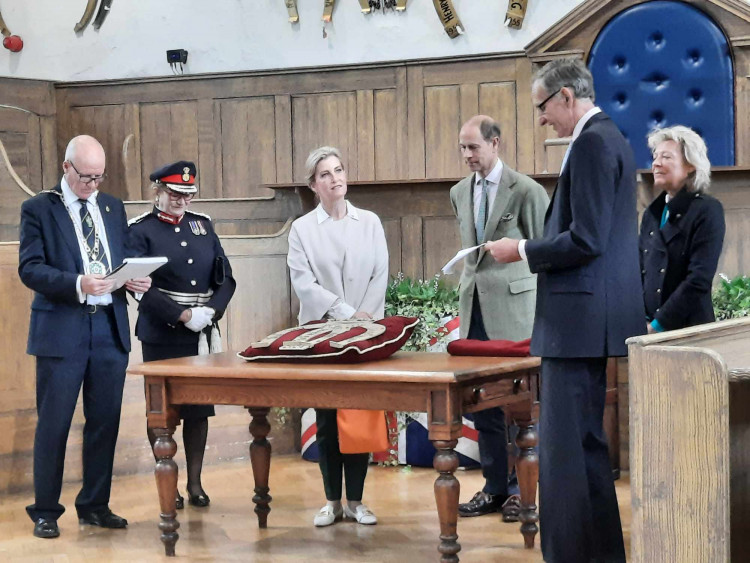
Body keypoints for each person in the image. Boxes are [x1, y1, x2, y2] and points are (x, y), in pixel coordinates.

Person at [486, 58, 644, 562]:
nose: (541, 118)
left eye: (542, 106)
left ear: (566, 98)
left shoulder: (595, 142)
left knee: (565, 456)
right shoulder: (606, 138)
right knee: (585, 451)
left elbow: (587, 238)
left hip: (577, 324)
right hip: (587, 321)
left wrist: (524, 250)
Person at [18, 135, 152, 539]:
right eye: (86, 177)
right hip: (62, 329)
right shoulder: (39, 208)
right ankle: (45, 511)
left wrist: (133, 279)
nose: (93, 185)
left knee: (104, 422)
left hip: (108, 329)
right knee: (54, 424)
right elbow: (31, 268)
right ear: (66, 168)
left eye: (99, 177)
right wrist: (78, 282)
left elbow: (120, 256)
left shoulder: (111, 207)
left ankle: (94, 505)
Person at [450, 115, 548, 521]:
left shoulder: (526, 190)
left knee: (521, 408)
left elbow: (546, 250)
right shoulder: (458, 192)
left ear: (495, 143)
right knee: (483, 405)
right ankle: (494, 488)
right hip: (474, 310)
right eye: (462, 148)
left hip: (515, 312)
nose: (467, 155)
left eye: (474, 147)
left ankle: (523, 494)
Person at [287, 146, 389, 527]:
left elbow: (380, 273)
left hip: (365, 332)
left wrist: (363, 319)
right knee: (328, 418)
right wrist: (345, 314)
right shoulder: (302, 230)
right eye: (326, 174)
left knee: (359, 415)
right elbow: (304, 283)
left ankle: (357, 501)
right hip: (322, 335)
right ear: (314, 185)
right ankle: (332, 501)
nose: (335, 178)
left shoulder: (370, 222)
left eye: (339, 170)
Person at [128, 161, 236, 509]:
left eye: (188, 194)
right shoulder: (140, 231)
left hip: (200, 331)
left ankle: (195, 482)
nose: (182, 200)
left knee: (198, 411)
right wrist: (181, 314)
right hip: (162, 333)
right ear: (157, 191)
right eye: (175, 193)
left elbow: (226, 277)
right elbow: (138, 286)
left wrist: (211, 311)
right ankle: (168, 482)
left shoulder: (202, 226)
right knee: (162, 412)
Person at [640, 126, 725, 333]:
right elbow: (640, 272)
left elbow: (698, 279)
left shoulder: (707, 210)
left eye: (666, 157)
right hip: (648, 334)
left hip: (690, 334)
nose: (656, 163)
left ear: (690, 166)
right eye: (655, 156)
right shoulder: (652, 213)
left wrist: (658, 326)